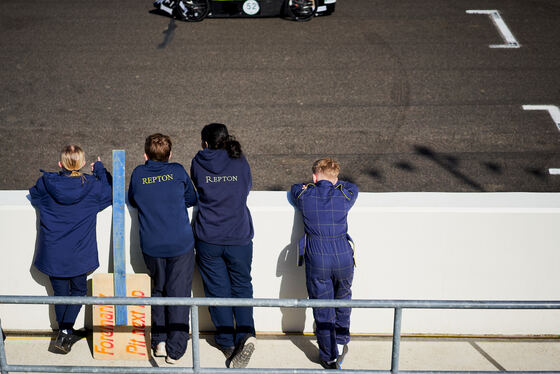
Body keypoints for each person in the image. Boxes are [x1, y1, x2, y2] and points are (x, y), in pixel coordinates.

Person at [29, 145, 112, 354]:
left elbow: (34, 196)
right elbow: (110, 192)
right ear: (83, 164)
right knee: (79, 291)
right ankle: (66, 332)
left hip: (53, 252)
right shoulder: (92, 186)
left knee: (60, 293)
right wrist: (100, 169)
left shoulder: (46, 183)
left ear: (60, 164)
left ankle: (65, 331)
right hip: (80, 253)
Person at [190, 123, 256, 368]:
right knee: (242, 287)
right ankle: (246, 335)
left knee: (217, 290)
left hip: (209, 237)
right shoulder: (239, 160)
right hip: (238, 236)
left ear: (205, 143)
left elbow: (198, 187)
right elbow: (246, 187)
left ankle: (226, 342)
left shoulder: (199, 162)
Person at [128, 134, 197, 364]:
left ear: (145, 155)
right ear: (170, 155)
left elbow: (134, 200)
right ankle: (175, 350)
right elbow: (191, 198)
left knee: (158, 290)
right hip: (180, 244)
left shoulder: (138, 174)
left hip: (152, 245)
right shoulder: (177, 171)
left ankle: (158, 340)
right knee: (178, 295)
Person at [290, 158, 358, 370]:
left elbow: (293, 189)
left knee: (322, 307)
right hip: (343, 254)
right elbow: (352, 187)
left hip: (318, 255)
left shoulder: (305, 195)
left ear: (314, 177)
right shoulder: (344, 194)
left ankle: (328, 356)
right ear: (336, 178)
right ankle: (341, 339)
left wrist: (311, 185)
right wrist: (336, 183)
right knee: (343, 298)